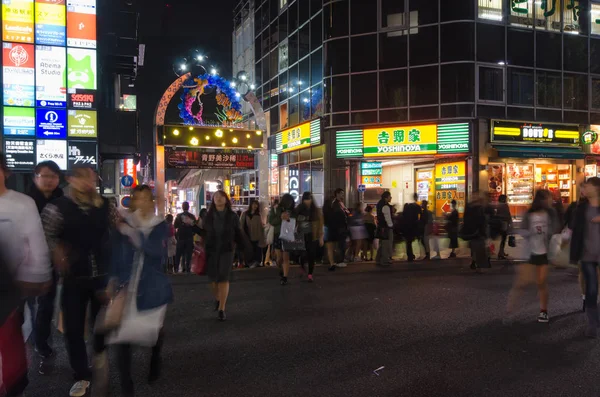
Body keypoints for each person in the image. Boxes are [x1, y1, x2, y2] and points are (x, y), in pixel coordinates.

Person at [41, 165, 114, 397]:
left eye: (91, 178)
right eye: (81, 178)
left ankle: (100, 358)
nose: (87, 183)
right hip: (73, 277)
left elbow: (116, 232)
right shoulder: (57, 207)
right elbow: (48, 235)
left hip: (103, 275)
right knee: (73, 328)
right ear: (70, 179)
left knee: (101, 324)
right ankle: (81, 375)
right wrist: (57, 254)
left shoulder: (105, 205)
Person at [108, 185, 173, 396]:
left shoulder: (160, 225)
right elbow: (115, 253)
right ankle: (127, 385)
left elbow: (156, 253)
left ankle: (155, 357)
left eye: (147, 199)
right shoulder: (125, 223)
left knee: (154, 331)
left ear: (152, 202)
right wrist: (112, 280)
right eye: (138, 198)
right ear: (133, 201)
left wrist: (134, 235)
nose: (143, 203)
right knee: (122, 335)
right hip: (127, 285)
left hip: (152, 285)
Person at [0, 152, 52, 397]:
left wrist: (40, 275)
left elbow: (36, 242)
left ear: (5, 172)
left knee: (13, 338)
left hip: (13, 288)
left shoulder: (22, 203)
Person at [27, 161, 64, 365]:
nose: (49, 180)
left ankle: (41, 343)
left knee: (45, 305)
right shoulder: (27, 201)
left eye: (53, 176)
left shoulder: (63, 199)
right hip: (27, 261)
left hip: (52, 261)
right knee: (34, 306)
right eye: (44, 176)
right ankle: (39, 343)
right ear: (36, 177)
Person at [506, 189, 558, 324]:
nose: (550, 200)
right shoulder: (529, 214)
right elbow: (521, 230)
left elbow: (555, 230)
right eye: (548, 198)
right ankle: (510, 310)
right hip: (530, 252)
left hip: (545, 252)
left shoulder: (551, 213)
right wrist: (531, 232)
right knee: (522, 282)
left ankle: (543, 311)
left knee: (542, 282)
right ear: (541, 199)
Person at [201, 191, 249, 320]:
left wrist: (243, 248)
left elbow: (238, 232)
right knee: (212, 279)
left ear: (226, 199)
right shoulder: (208, 215)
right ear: (213, 200)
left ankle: (222, 308)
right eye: (216, 197)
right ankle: (218, 298)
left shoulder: (232, 216)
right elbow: (203, 232)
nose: (218, 198)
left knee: (223, 277)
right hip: (211, 249)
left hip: (227, 250)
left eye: (221, 196)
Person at [570, 177, 600, 337]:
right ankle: (592, 324)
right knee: (591, 289)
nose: (584, 189)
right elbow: (576, 231)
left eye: (587, 186)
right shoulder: (581, 208)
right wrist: (574, 254)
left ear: (596, 188)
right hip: (587, 255)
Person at [295, 192, 324, 282]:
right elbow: (292, 220)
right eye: (306, 199)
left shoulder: (316, 211)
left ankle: (310, 274)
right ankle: (302, 267)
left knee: (311, 255)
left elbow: (320, 224)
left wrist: (321, 237)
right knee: (302, 254)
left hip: (312, 235)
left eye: (309, 199)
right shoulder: (299, 209)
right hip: (301, 235)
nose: (307, 201)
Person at [461, 192, 489, 271]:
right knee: (479, 247)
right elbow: (482, 220)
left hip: (472, 230)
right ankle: (478, 264)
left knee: (474, 247)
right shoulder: (479, 208)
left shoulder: (469, 207)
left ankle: (474, 261)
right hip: (478, 231)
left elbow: (466, 219)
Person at [323, 188, 349, 271]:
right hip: (337, 227)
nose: (342, 195)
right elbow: (342, 214)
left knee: (334, 245)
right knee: (339, 244)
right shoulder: (335, 204)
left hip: (335, 227)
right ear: (336, 194)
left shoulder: (338, 203)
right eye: (341, 193)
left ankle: (333, 262)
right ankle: (337, 261)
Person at [277, 193, 296, 285]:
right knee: (279, 258)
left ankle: (285, 277)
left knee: (286, 257)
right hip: (278, 235)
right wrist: (280, 218)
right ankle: (281, 269)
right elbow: (271, 220)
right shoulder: (277, 209)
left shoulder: (293, 212)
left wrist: (289, 219)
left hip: (287, 236)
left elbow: (295, 222)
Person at [240, 199, 266, 268]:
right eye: (254, 204)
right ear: (251, 205)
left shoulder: (258, 215)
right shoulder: (245, 214)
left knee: (256, 249)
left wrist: (261, 237)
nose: (255, 206)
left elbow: (260, 227)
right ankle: (247, 262)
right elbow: (241, 224)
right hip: (246, 235)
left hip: (256, 236)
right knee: (248, 249)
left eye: (256, 205)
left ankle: (256, 262)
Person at [174, 201, 196, 273]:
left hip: (181, 237)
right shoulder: (192, 216)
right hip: (189, 238)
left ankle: (176, 268)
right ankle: (187, 268)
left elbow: (175, 226)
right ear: (188, 207)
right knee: (188, 254)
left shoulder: (178, 216)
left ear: (182, 207)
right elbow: (195, 227)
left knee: (179, 254)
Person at [376, 191, 394, 267]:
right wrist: (391, 225)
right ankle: (384, 260)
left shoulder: (380, 204)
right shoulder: (385, 206)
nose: (391, 198)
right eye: (390, 197)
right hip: (386, 227)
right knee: (386, 244)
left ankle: (378, 259)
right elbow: (387, 217)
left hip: (381, 226)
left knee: (382, 243)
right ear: (386, 197)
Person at [403, 193, 422, 262]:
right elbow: (420, 217)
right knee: (419, 241)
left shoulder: (408, 207)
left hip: (408, 227)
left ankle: (410, 255)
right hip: (414, 226)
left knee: (408, 242)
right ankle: (421, 254)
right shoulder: (417, 206)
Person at [494, 195, 512, 260]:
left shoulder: (498, 205)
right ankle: (501, 253)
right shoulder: (505, 205)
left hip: (500, 223)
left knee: (503, 238)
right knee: (503, 238)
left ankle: (502, 252)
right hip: (504, 223)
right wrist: (510, 222)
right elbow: (508, 214)